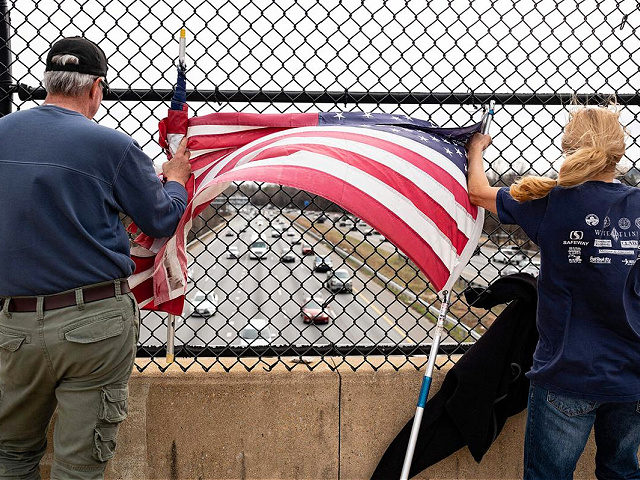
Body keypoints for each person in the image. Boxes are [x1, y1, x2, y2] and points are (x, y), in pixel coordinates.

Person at [0, 37, 191, 479]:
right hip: (94, 322)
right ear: (95, 89)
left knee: (10, 455)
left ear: (46, 83)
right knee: (81, 465)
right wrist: (176, 180)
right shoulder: (112, 147)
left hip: (15, 323)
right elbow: (161, 219)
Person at [466, 106, 640, 480]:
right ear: (620, 150)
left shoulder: (552, 203)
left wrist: (476, 149)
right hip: (633, 374)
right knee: (622, 471)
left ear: (568, 147)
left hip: (567, 372)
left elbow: (479, 194)